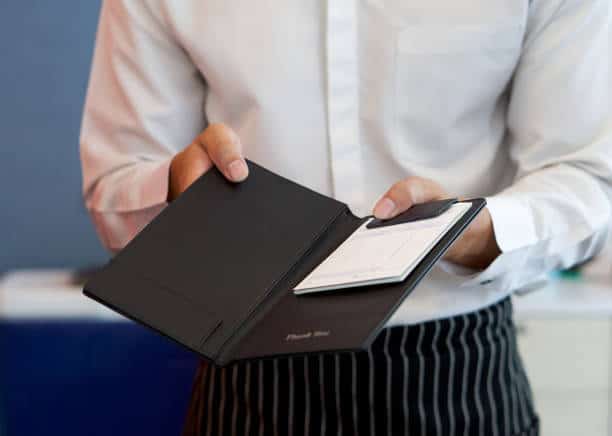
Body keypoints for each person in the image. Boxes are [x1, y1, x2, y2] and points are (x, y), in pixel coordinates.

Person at [80, 1, 611, 435]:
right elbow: (115, 188)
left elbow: (589, 176)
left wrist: (477, 233)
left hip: (459, 370)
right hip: (247, 377)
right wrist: (179, 191)